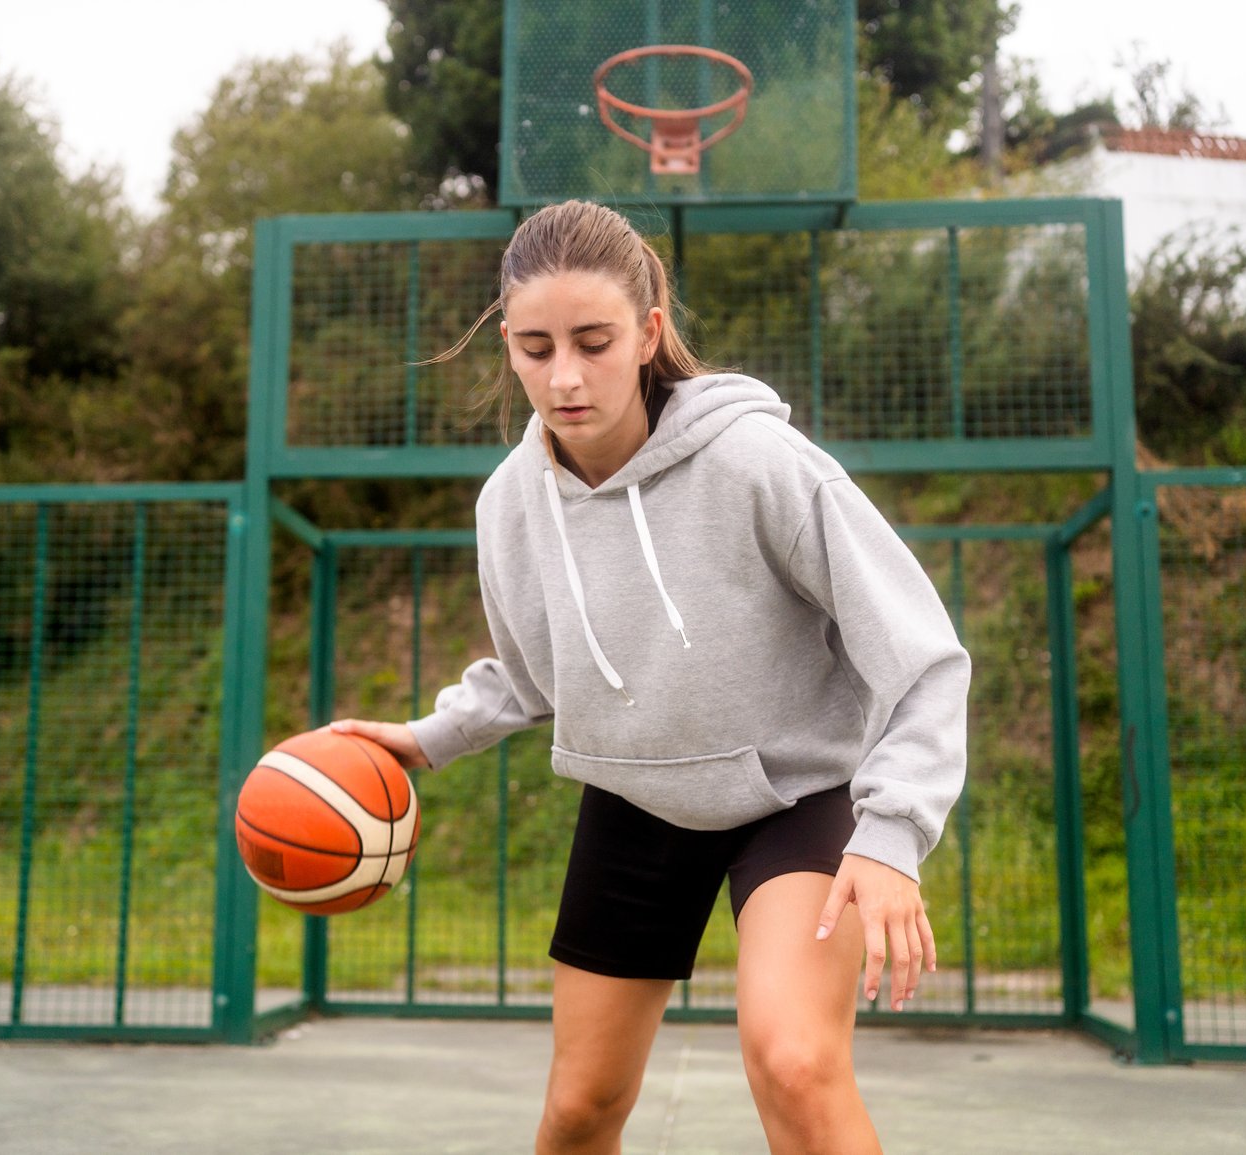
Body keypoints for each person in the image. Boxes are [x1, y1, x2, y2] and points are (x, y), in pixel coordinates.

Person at [333, 199, 969, 1155]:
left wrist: (891, 833)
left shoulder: (757, 461)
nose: (566, 374)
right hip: (635, 796)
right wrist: (429, 737)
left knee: (794, 1063)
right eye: (537, 347)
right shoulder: (510, 505)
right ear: (506, 345)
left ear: (648, 334)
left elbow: (921, 654)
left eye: (594, 340)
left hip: (794, 791)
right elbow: (533, 672)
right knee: (579, 1109)